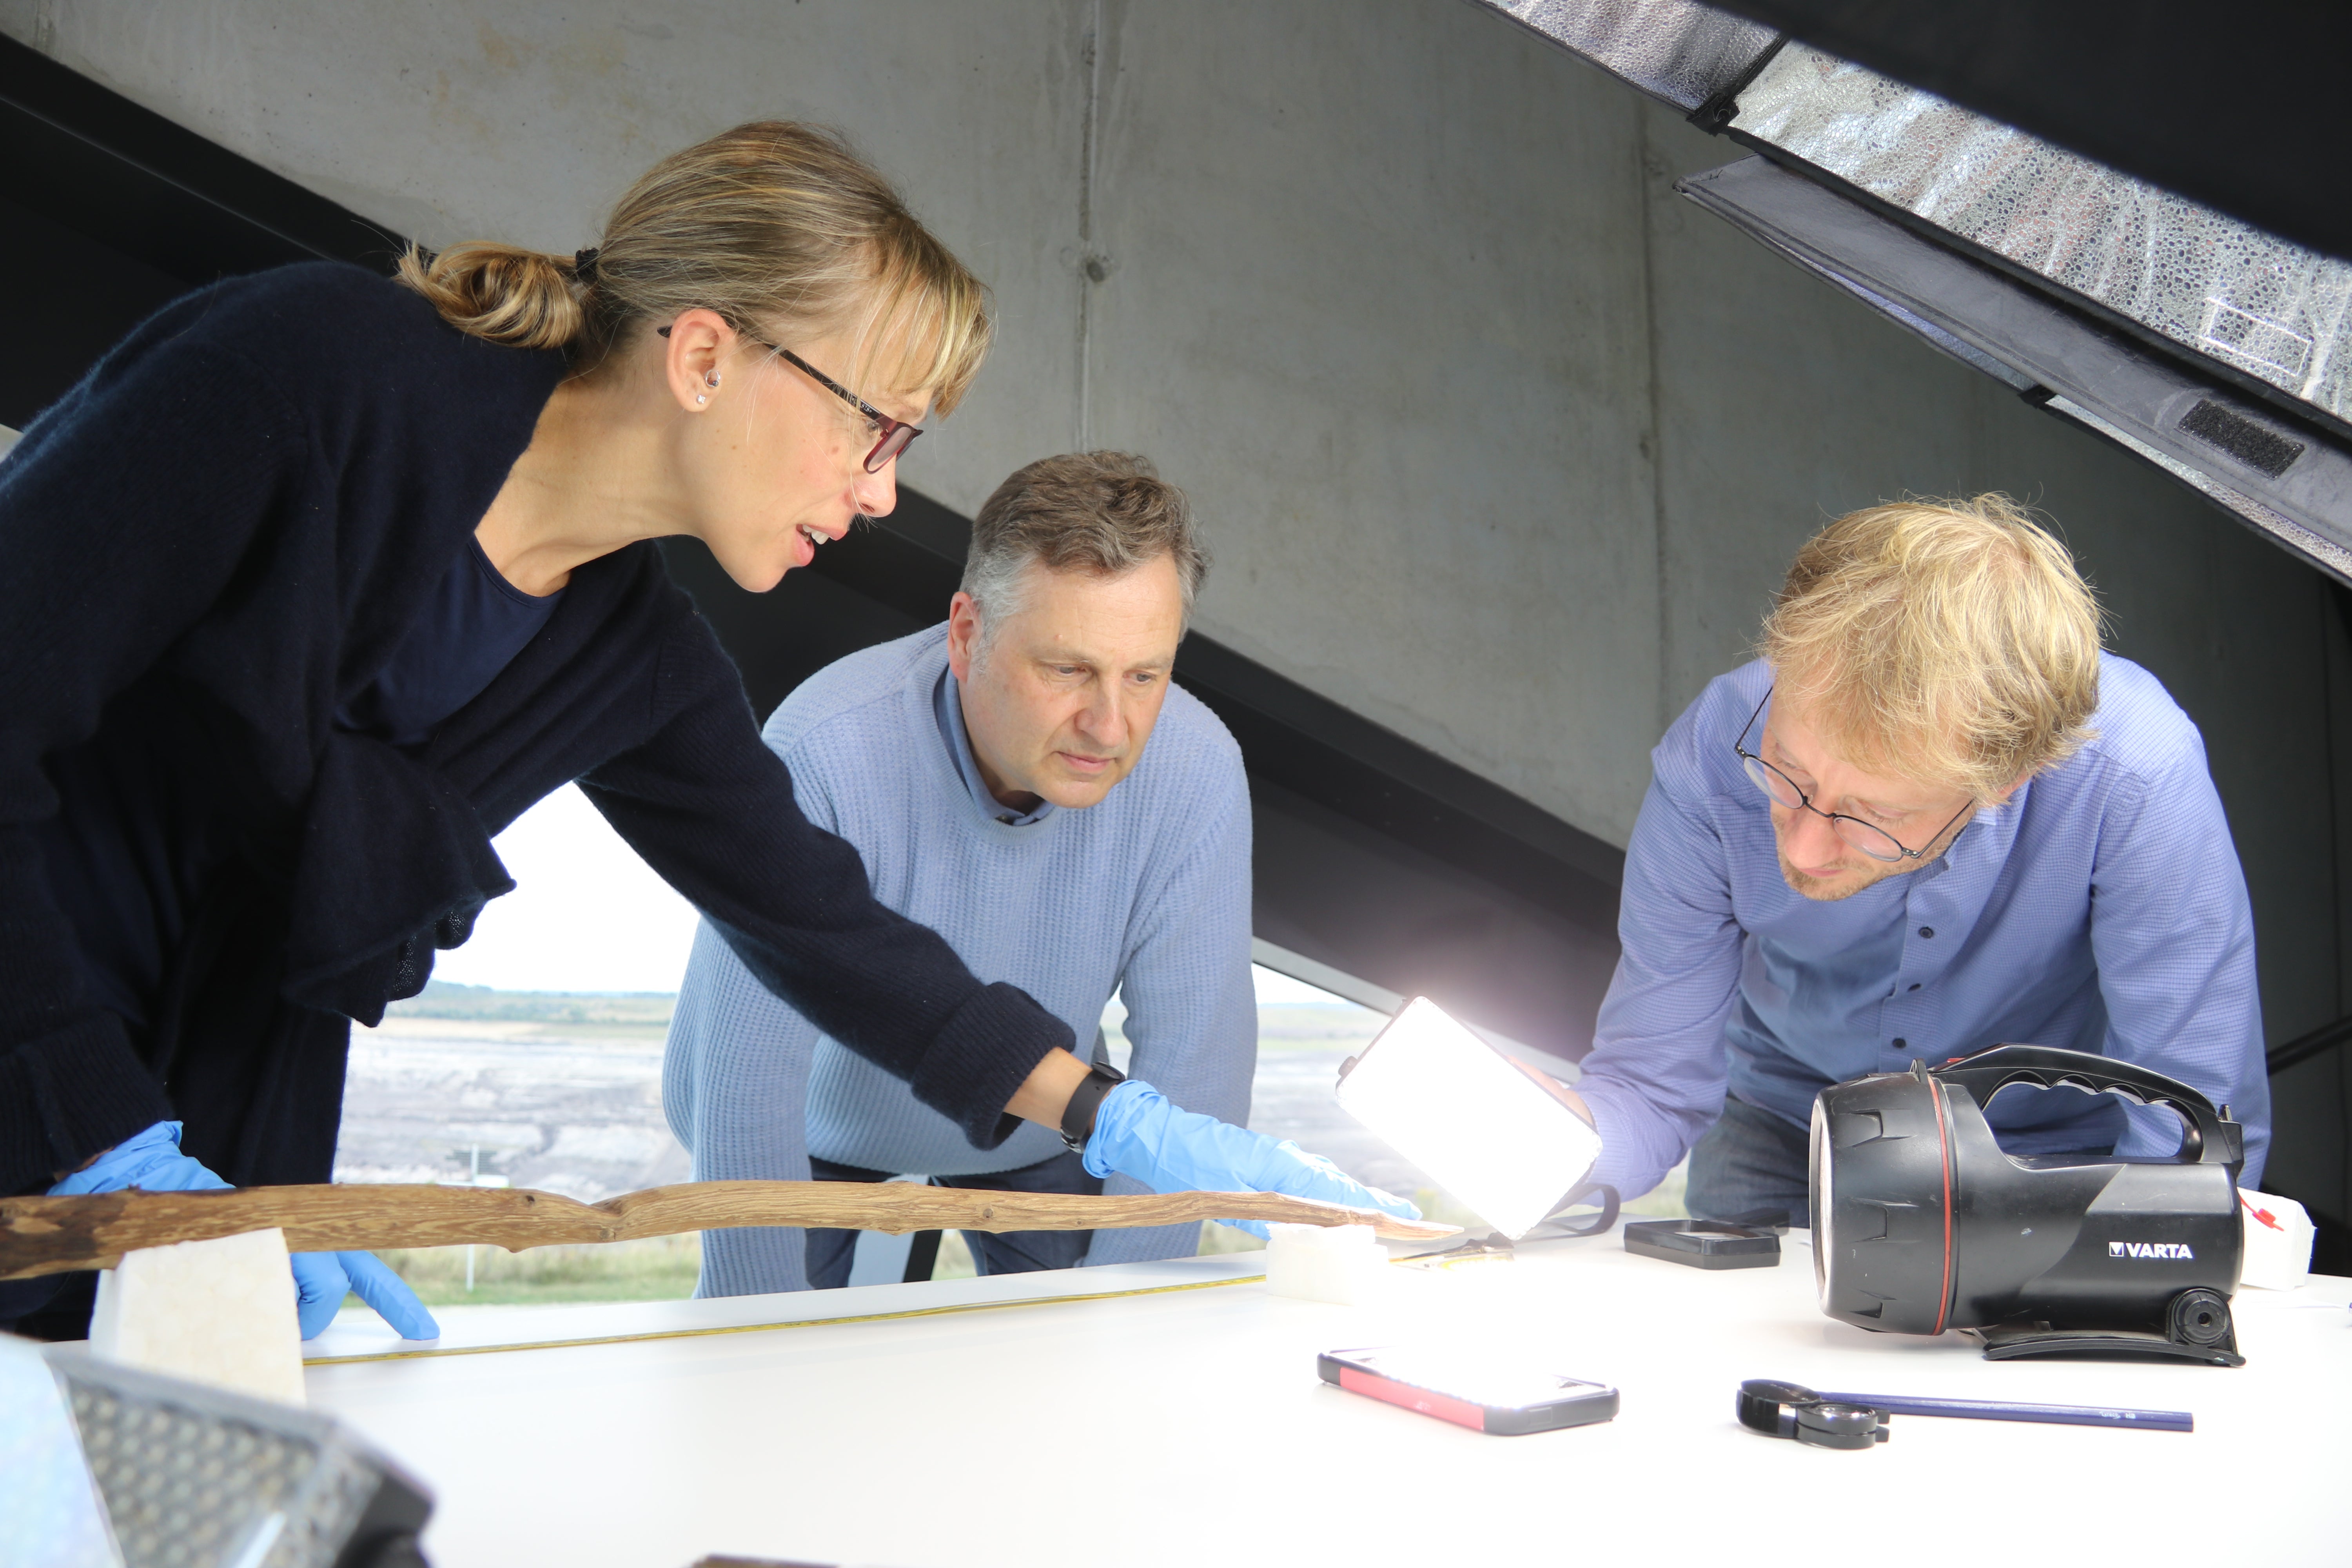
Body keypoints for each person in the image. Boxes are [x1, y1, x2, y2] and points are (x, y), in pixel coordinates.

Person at [0, 122, 1412, 1343]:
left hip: (223, 1106)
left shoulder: (632, 658)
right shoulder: (306, 373)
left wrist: (1121, 1121)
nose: (876, 497)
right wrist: (100, 1137)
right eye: (878, 431)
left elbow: (834, 940)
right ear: (704, 357)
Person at [1553, 496, 2270, 1219]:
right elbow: (1649, 1089)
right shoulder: (1714, 747)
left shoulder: (2139, 778)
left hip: (2051, 1156)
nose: (1800, 850)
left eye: (1876, 817)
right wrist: (1554, 1138)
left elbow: (2189, 1139)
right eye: (1784, 773)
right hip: (1787, 1124)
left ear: (2007, 780)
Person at [666, 452, 1256, 1295]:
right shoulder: (826, 746)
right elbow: (745, 1075)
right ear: (967, 633)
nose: (1109, 725)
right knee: (770, 1374)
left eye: (1144, 674)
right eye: (1068, 668)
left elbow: (1196, 1058)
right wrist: (747, 1332)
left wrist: (1134, 1320)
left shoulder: (1197, 768)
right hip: (805, 1129)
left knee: (1101, 1364)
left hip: (1036, 1126)